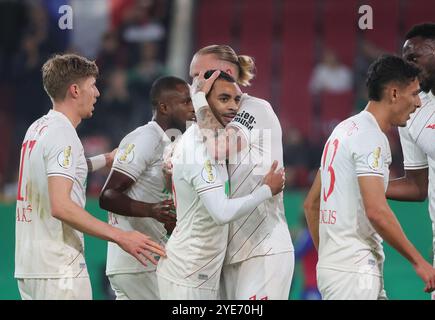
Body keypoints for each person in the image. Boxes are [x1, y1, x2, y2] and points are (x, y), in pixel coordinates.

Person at [14, 53, 165, 300]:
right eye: (92, 86)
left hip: (29, 268)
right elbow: (61, 206)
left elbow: (61, 171)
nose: (97, 93)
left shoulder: (37, 128)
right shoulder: (64, 135)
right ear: (75, 90)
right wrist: (121, 237)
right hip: (60, 269)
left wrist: (104, 160)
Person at [303, 54, 435, 300]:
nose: (418, 104)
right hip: (355, 271)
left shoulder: (342, 130)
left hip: (343, 269)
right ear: (394, 94)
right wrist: (420, 262)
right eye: (414, 94)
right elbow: (377, 211)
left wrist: (332, 259)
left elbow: (311, 204)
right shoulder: (371, 138)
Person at [156, 71, 285, 299]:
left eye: (236, 99)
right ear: (203, 101)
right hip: (188, 272)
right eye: (224, 99)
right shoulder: (199, 146)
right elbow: (221, 212)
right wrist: (266, 190)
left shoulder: (202, 140)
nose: (234, 107)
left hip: (200, 270)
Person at [189, 45, 294, 300]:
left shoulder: (255, 109)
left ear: (223, 73)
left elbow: (218, 147)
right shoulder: (204, 120)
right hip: (226, 254)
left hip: (263, 246)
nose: (193, 84)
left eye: (198, 76)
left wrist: (199, 100)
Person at [99, 76, 195, 300]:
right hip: (138, 264)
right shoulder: (145, 138)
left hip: (139, 262)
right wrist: (152, 210)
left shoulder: (170, 143)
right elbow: (108, 195)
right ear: (164, 107)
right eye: (186, 102)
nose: (193, 109)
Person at [386, 23, 435, 299]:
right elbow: (417, 186)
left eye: (414, 58)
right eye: (405, 61)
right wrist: (366, 183)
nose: (409, 67)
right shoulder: (413, 111)